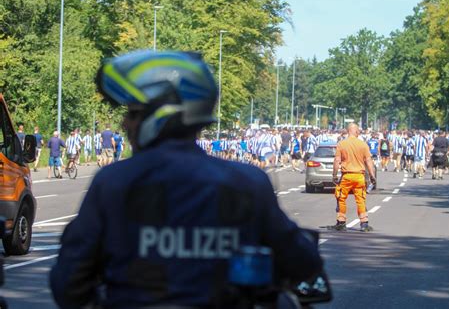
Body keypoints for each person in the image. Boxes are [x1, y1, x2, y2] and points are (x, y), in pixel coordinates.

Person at [50, 50, 324, 308]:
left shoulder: (113, 182)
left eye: (133, 113)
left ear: (162, 114)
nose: (125, 124)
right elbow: (305, 262)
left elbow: (68, 283)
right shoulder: (249, 182)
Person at [331, 123, 376, 232]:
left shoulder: (342, 144)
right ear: (356, 132)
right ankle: (364, 224)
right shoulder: (363, 145)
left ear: (347, 131)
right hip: (359, 176)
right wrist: (372, 176)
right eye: (358, 131)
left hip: (346, 176)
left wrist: (334, 175)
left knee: (341, 198)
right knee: (360, 199)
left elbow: (337, 161)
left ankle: (341, 222)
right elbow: (369, 161)